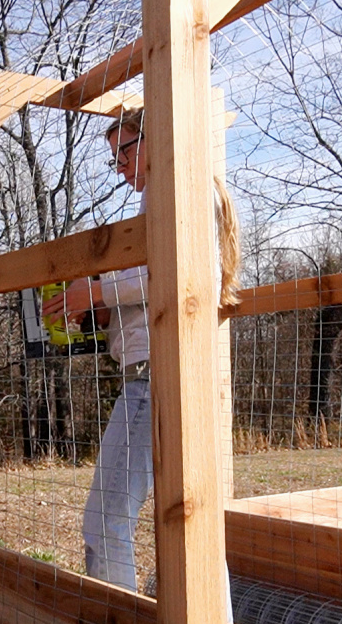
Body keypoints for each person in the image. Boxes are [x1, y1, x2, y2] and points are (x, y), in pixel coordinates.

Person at [42, 107, 241, 592]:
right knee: (192, 526)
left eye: (124, 151)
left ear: (157, 139)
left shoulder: (177, 192)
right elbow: (157, 290)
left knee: (105, 524)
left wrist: (96, 291)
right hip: (164, 378)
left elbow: (175, 270)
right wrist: (107, 315)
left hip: (155, 382)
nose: (119, 167)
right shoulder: (172, 195)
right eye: (115, 156)